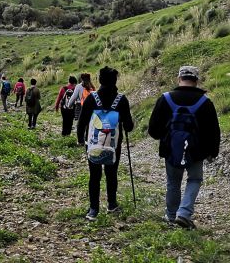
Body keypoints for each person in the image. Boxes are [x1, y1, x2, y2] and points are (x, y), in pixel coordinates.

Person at [147, 66, 220, 230]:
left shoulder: (165, 99)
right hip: (196, 151)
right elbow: (213, 131)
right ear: (196, 80)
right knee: (194, 179)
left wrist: (165, 138)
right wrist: (212, 151)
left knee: (173, 181)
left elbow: (153, 130)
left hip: (171, 149)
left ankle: (172, 216)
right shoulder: (205, 102)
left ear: (179, 79)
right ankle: (184, 213)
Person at [77, 66, 134, 221]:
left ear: (100, 80)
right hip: (114, 145)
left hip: (93, 144)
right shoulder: (121, 100)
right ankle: (111, 204)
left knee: (94, 176)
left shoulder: (91, 98)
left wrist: (81, 139)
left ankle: (93, 209)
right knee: (111, 174)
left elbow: (82, 122)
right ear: (115, 81)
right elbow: (129, 126)